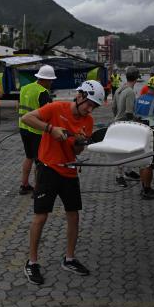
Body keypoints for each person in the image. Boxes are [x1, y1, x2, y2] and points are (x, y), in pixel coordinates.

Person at [22, 80, 104, 285]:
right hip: (48, 169)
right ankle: (32, 263)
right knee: (40, 217)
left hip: (69, 170)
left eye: (94, 106)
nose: (90, 109)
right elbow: (27, 118)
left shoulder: (88, 121)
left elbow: (77, 151)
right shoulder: (56, 108)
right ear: (80, 96)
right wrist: (50, 129)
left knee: (73, 216)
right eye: (89, 103)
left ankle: (69, 258)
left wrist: (78, 143)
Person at [18, 65, 55, 195]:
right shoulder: (42, 92)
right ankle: (38, 189)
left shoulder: (24, 88)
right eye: (50, 80)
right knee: (40, 161)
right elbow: (48, 114)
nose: (51, 83)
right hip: (37, 132)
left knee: (29, 156)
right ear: (44, 79)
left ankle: (24, 184)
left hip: (23, 128)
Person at [134, 76, 154, 200]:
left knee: (142, 162)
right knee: (148, 164)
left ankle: (144, 187)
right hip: (151, 136)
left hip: (138, 133)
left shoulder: (138, 99)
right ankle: (147, 190)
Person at [111, 66, 141, 187]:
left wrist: (117, 117)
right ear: (137, 78)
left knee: (126, 150)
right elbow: (129, 112)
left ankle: (128, 172)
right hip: (125, 124)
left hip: (117, 123)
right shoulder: (130, 92)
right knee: (124, 151)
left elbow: (113, 107)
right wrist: (137, 121)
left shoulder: (119, 89)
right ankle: (119, 176)